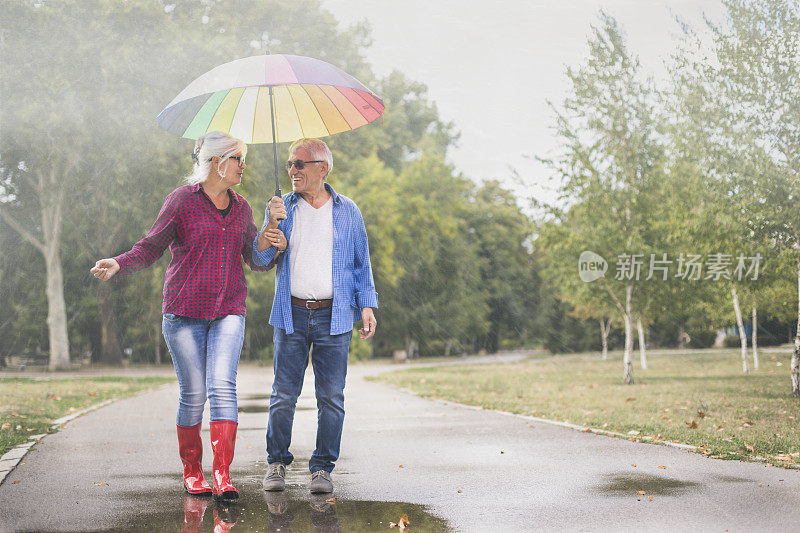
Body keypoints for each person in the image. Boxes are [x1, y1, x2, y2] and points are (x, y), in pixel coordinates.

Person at [90, 131, 276, 501]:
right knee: (193, 394)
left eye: (243, 159)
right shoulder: (181, 202)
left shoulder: (242, 208)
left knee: (222, 386)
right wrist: (119, 262)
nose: (243, 166)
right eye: (238, 158)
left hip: (228, 310)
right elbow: (152, 246)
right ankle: (193, 472)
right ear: (215, 162)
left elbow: (255, 261)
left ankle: (222, 475)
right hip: (184, 313)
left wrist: (270, 239)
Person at [253, 138, 378, 494]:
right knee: (283, 395)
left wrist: (366, 305)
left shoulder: (348, 210)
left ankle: (322, 468)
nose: (292, 170)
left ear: (322, 168)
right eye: (290, 164)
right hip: (290, 313)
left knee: (331, 398)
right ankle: (276, 462)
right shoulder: (281, 208)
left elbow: (360, 264)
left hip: (334, 316)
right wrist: (270, 227)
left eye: (300, 164)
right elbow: (261, 260)